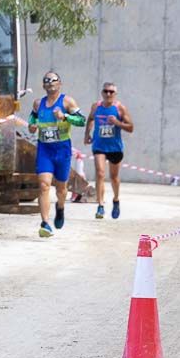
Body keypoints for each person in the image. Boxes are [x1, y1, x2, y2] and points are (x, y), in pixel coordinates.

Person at [27, 71, 85, 238]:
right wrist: (32, 126)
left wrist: (65, 116)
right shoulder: (38, 104)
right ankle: (45, 223)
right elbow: (32, 119)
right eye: (47, 80)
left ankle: (60, 207)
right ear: (43, 85)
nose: (50, 83)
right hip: (45, 149)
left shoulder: (67, 101)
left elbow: (81, 120)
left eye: (53, 80)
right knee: (44, 184)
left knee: (61, 188)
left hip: (62, 149)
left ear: (60, 83)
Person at [84, 81, 133, 219]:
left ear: (115, 94)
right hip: (99, 145)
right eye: (106, 91)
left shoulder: (119, 108)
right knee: (100, 173)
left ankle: (116, 200)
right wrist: (87, 134)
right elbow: (90, 119)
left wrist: (117, 123)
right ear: (102, 93)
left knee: (114, 177)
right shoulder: (96, 106)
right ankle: (100, 206)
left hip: (115, 147)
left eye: (111, 92)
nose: (108, 94)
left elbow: (131, 127)